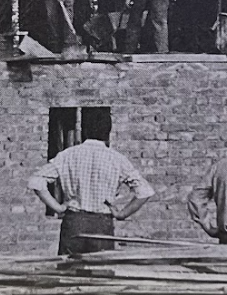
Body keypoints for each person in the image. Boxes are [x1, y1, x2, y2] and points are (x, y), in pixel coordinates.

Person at [27, 109, 155, 255]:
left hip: (74, 223)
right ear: (108, 131)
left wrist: (58, 208)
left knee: (69, 268)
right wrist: (122, 214)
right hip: (102, 225)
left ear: (85, 130)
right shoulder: (117, 159)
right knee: (100, 268)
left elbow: (36, 181)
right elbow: (144, 191)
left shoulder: (68, 155)